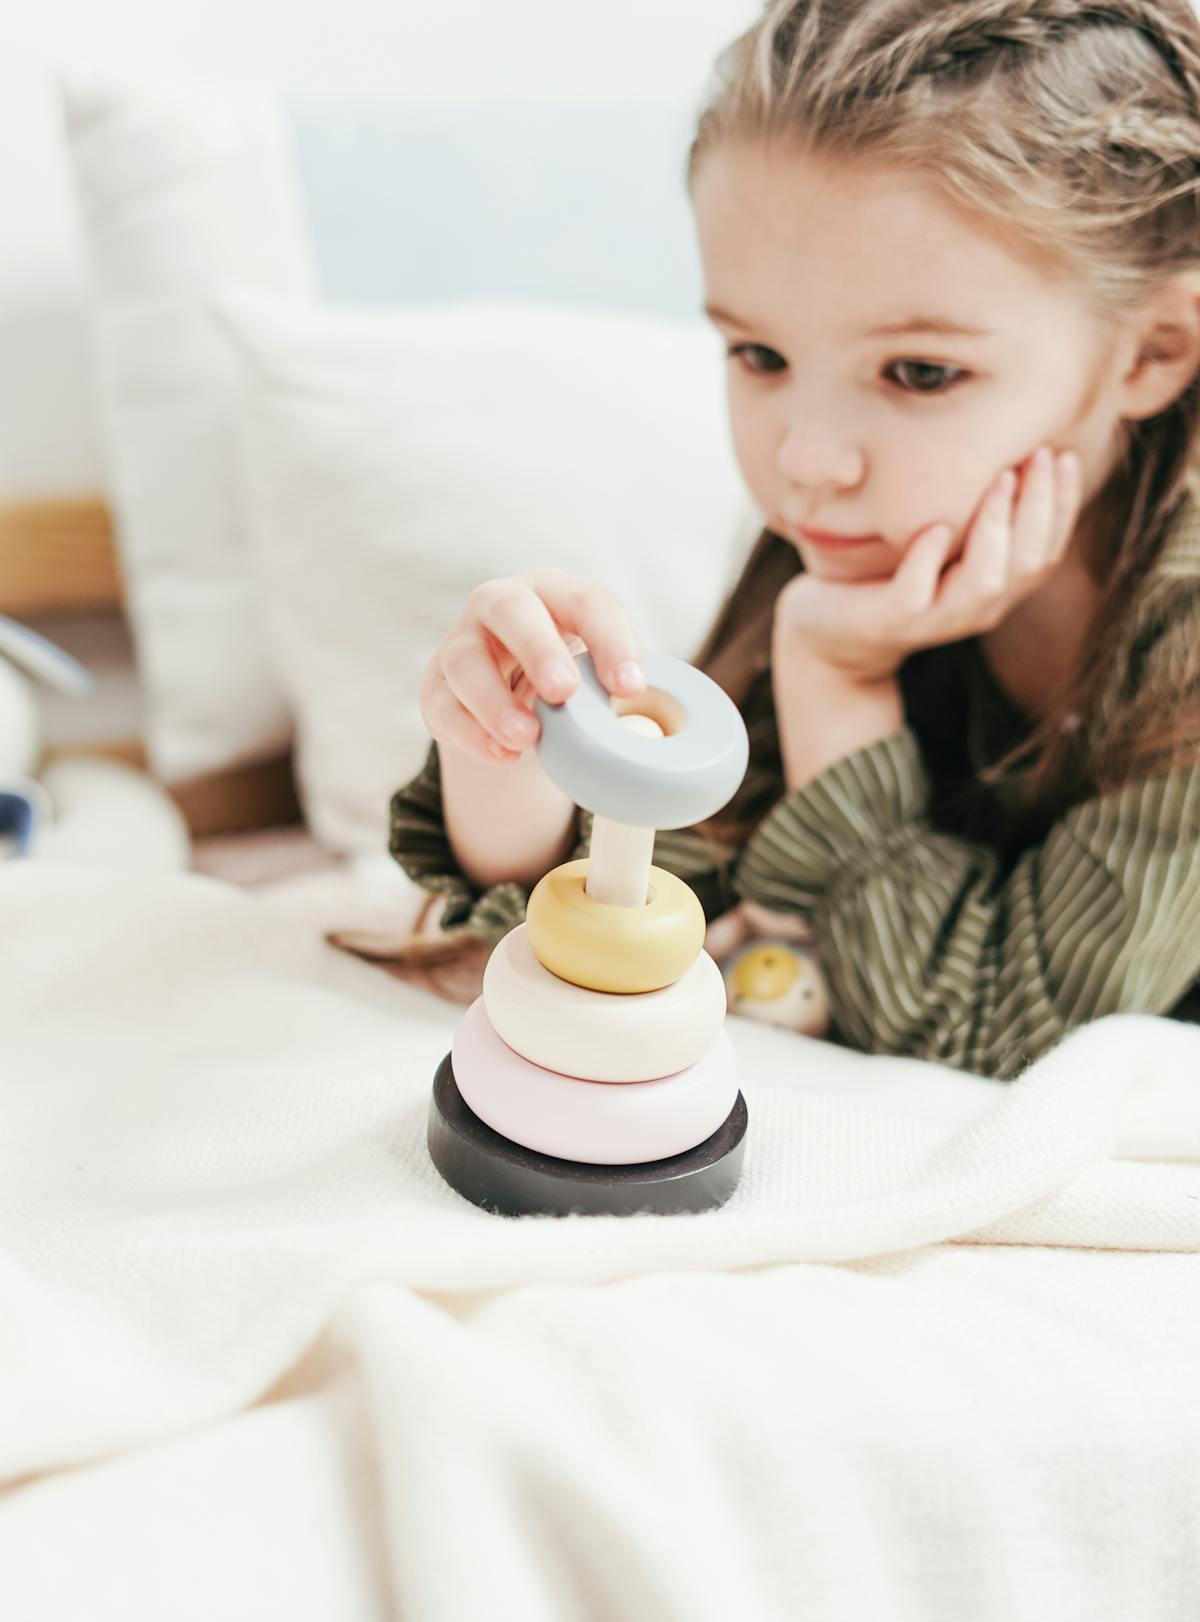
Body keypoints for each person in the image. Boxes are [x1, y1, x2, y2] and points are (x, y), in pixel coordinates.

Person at [385, 0, 1200, 1081]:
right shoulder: (881, 542)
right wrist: (511, 749)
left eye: (919, 373)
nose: (809, 459)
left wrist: (840, 681)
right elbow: (592, 951)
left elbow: (1000, 1040)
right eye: (760, 355)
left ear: (1156, 350)